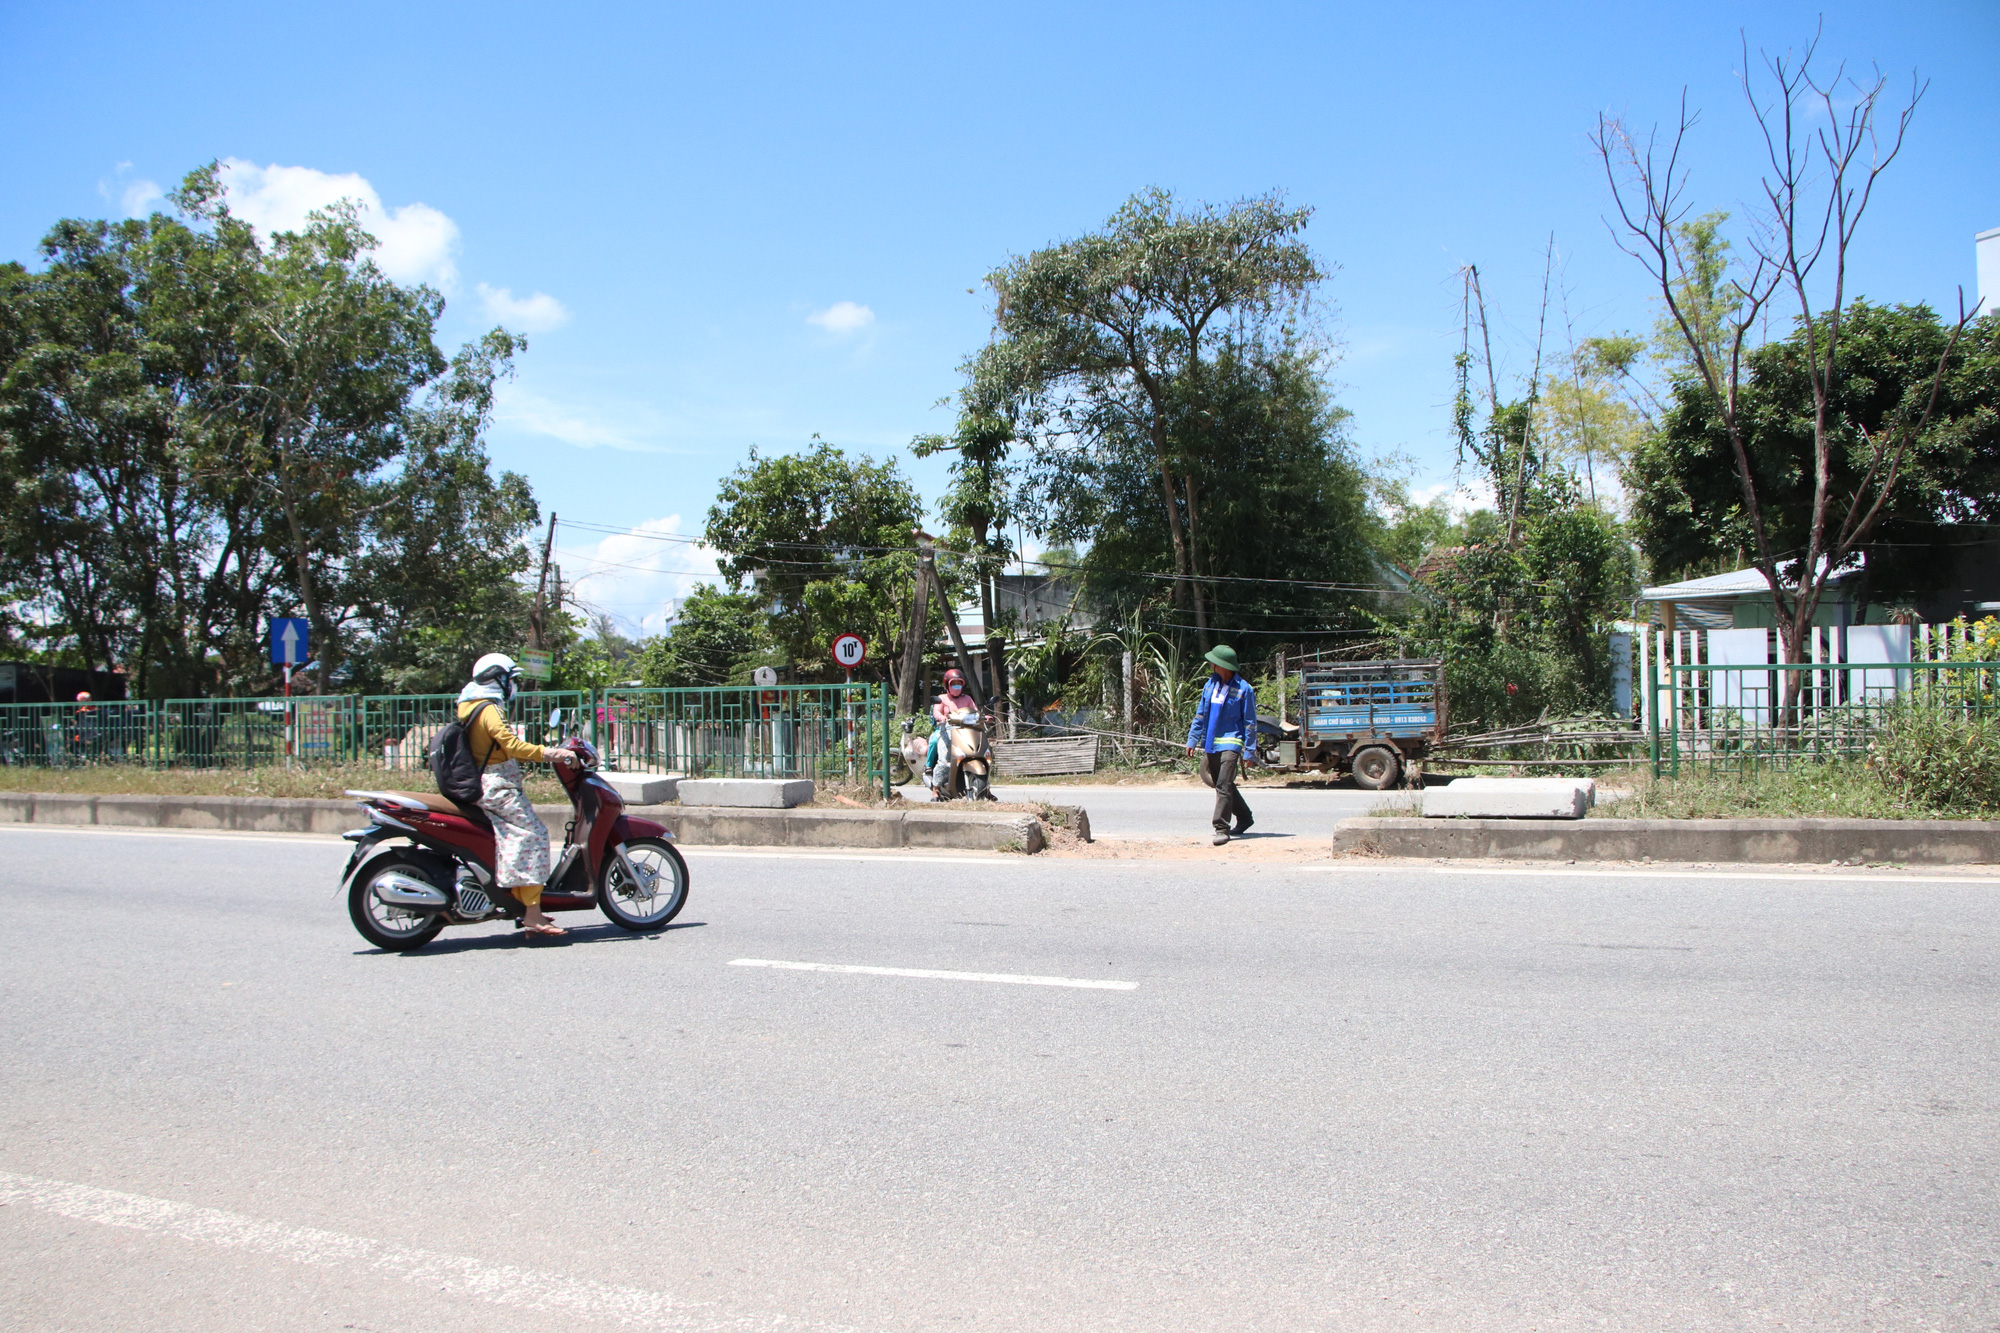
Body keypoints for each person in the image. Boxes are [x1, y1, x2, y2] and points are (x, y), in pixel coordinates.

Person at [458, 653, 576, 937]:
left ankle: (524, 904)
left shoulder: (468, 704)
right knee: (535, 834)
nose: (514, 685)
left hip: (487, 781)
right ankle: (532, 914)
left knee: (521, 834)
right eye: (510, 679)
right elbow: (510, 746)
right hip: (496, 786)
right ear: (496, 678)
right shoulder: (489, 709)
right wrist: (550, 753)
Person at [1185, 644, 1256, 845]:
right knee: (1222, 784)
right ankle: (1245, 817)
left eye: (1213, 661)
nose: (1210, 664)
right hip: (1211, 742)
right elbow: (1200, 714)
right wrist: (1192, 739)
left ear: (1222, 665)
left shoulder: (1244, 689)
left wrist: (1249, 751)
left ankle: (1221, 827)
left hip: (1232, 742)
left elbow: (1250, 722)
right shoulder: (1210, 685)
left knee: (1223, 784)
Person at [926, 668, 975, 791]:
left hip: (966, 733)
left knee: (981, 756)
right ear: (947, 684)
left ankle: (986, 790)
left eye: (959, 683)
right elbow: (936, 711)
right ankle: (935, 789)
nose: (956, 686)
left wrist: (984, 717)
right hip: (946, 731)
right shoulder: (942, 699)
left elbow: (975, 711)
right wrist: (941, 717)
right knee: (944, 761)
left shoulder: (967, 699)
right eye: (953, 684)